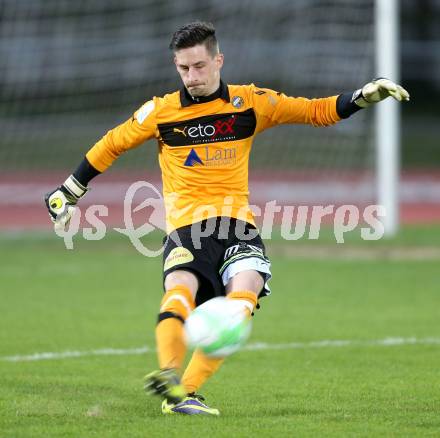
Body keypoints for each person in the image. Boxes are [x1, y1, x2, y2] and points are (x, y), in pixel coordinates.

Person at [44, 21, 409, 416]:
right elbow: (112, 144)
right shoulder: (161, 111)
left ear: (218, 60)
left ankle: (184, 393)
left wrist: (362, 96)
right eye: (183, 69)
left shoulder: (249, 103)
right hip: (187, 228)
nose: (192, 77)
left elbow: (314, 111)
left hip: (238, 227)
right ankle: (168, 373)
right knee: (180, 287)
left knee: (242, 302)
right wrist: (69, 191)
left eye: (199, 66)